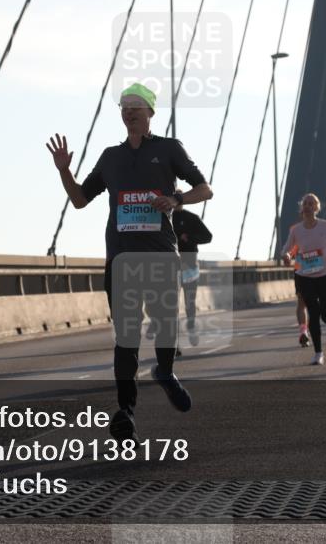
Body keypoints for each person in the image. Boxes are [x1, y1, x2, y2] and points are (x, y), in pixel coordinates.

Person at [46, 82, 213, 443]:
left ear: (151, 111)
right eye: (124, 106)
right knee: (126, 337)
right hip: (121, 260)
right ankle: (126, 412)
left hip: (161, 257)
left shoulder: (169, 149)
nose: (130, 111)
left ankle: (165, 372)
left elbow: (205, 189)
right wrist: (63, 171)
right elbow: (79, 200)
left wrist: (177, 199)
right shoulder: (110, 157)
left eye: (136, 105)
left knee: (165, 325)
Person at [282, 193, 326, 365]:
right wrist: (287, 256)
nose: (308, 206)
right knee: (313, 315)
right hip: (305, 277)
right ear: (302, 208)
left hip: (324, 275)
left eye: (311, 204)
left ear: (316, 208)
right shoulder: (296, 230)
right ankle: (318, 353)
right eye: (305, 203)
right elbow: (287, 248)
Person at [172, 197, 213, 351]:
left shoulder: (191, 218)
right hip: (170, 267)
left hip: (189, 266)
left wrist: (190, 238)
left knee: (190, 302)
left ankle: (191, 327)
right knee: (171, 305)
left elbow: (208, 237)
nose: (176, 201)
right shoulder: (165, 218)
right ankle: (173, 344)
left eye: (179, 198)